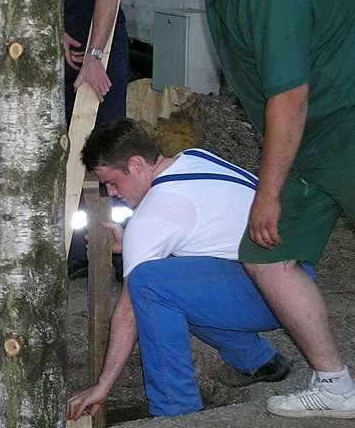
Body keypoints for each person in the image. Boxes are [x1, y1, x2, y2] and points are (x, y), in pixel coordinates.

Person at [170, 0, 355, 418]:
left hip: (345, 130)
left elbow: (289, 94)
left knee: (265, 233)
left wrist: (267, 193)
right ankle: (335, 385)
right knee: (267, 256)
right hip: (308, 143)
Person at [66, 119, 301, 418]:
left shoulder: (154, 213)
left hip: (278, 291)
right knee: (173, 282)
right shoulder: (193, 157)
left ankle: (175, 412)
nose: (111, 192)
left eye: (113, 181)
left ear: (136, 164)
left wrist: (103, 384)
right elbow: (199, 231)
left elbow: (129, 310)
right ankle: (260, 361)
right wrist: (136, 246)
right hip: (294, 277)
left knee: (150, 285)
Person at [64, 0, 131, 277]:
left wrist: (95, 55)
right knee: (70, 151)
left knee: (110, 150)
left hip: (100, 51)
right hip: (65, 51)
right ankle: (78, 250)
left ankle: (123, 250)